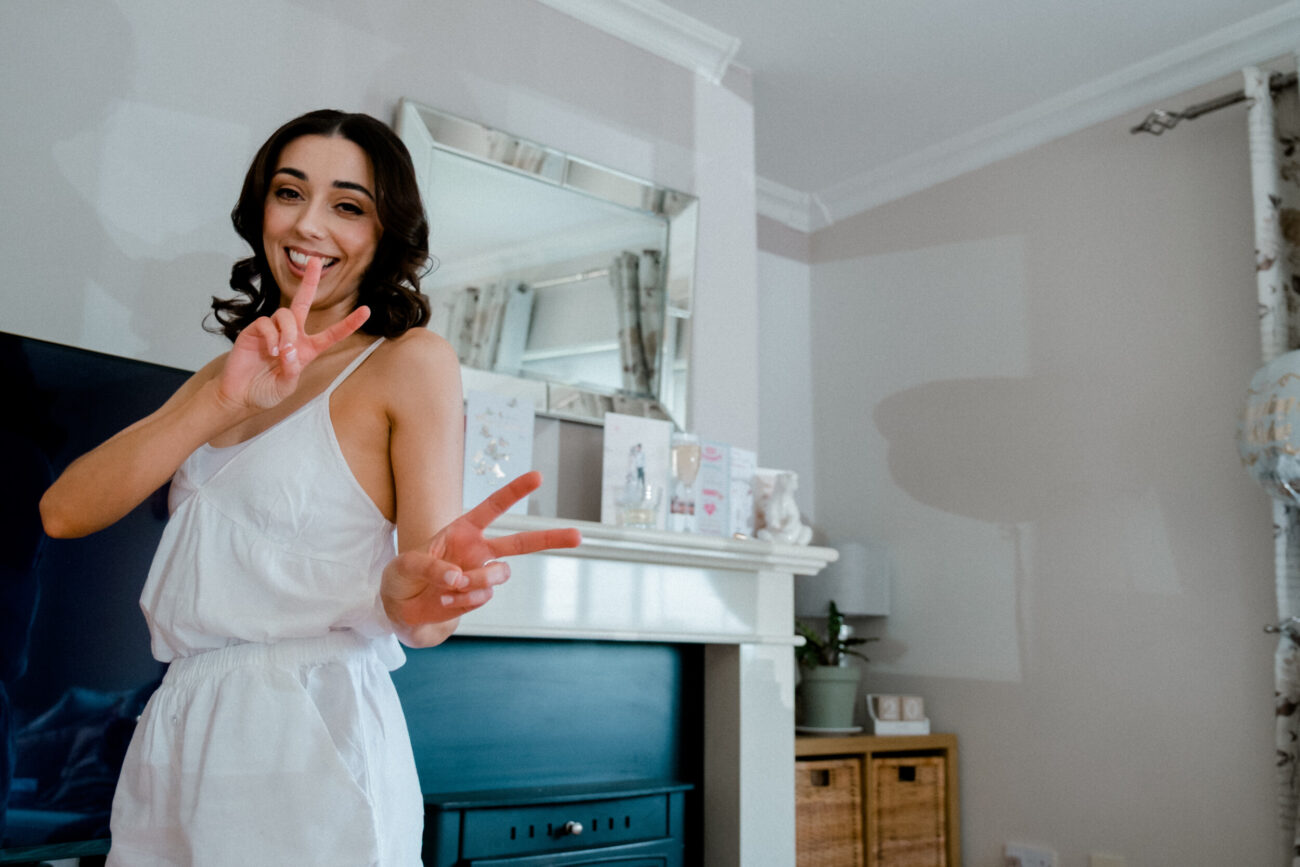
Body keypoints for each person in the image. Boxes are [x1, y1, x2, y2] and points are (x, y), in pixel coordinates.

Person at [38, 109, 581, 866]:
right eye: (290, 192)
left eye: (348, 205)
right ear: (262, 207)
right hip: (179, 724)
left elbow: (422, 615)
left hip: (305, 732)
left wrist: (414, 593)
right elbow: (62, 511)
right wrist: (218, 401)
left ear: (385, 231)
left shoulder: (408, 361)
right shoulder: (224, 377)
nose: (310, 224)